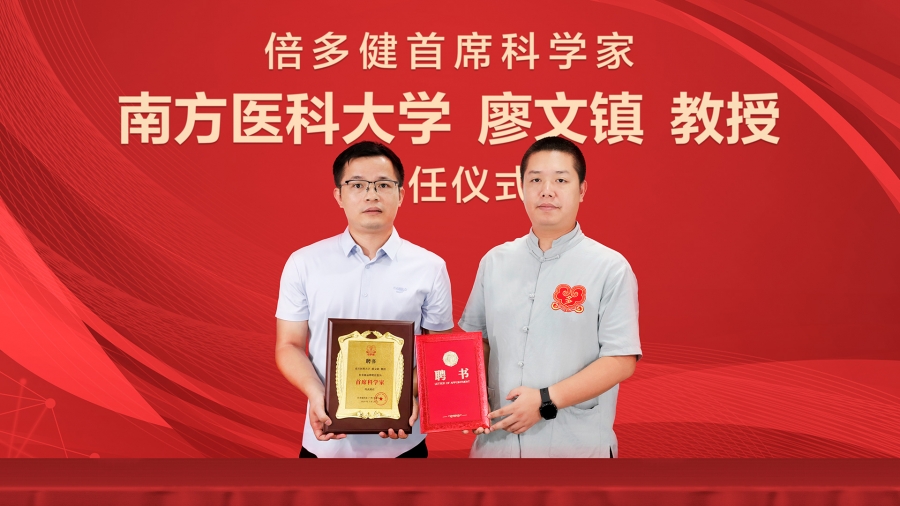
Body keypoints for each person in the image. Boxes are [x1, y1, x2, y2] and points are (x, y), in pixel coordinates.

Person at [459, 137, 641, 458]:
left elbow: (620, 360)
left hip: (575, 448)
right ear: (521, 188)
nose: (546, 191)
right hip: (496, 446)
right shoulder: (495, 261)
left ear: (581, 190)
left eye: (560, 180)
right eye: (535, 180)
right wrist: (468, 401)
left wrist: (545, 400)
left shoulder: (610, 267)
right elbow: (476, 342)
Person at [275, 141, 453, 458]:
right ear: (339, 196)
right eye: (357, 185)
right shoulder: (304, 263)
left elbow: (440, 353)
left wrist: (403, 395)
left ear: (401, 194)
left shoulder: (430, 267)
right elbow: (288, 345)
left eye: (383, 184)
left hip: (403, 442)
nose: (371, 195)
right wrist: (317, 393)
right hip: (325, 440)